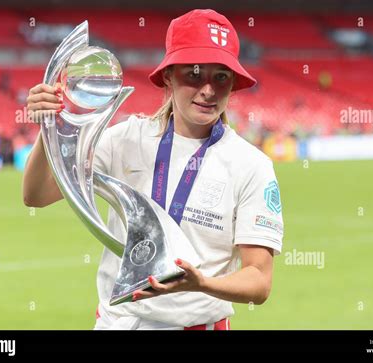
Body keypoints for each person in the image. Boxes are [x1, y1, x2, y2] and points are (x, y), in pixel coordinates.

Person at [23, 9, 284, 330]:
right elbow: (37, 195)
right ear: (168, 76)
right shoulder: (125, 139)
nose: (208, 90)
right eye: (194, 73)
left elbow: (259, 282)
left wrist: (200, 283)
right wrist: (50, 124)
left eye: (221, 77)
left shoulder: (251, 164)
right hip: (116, 324)